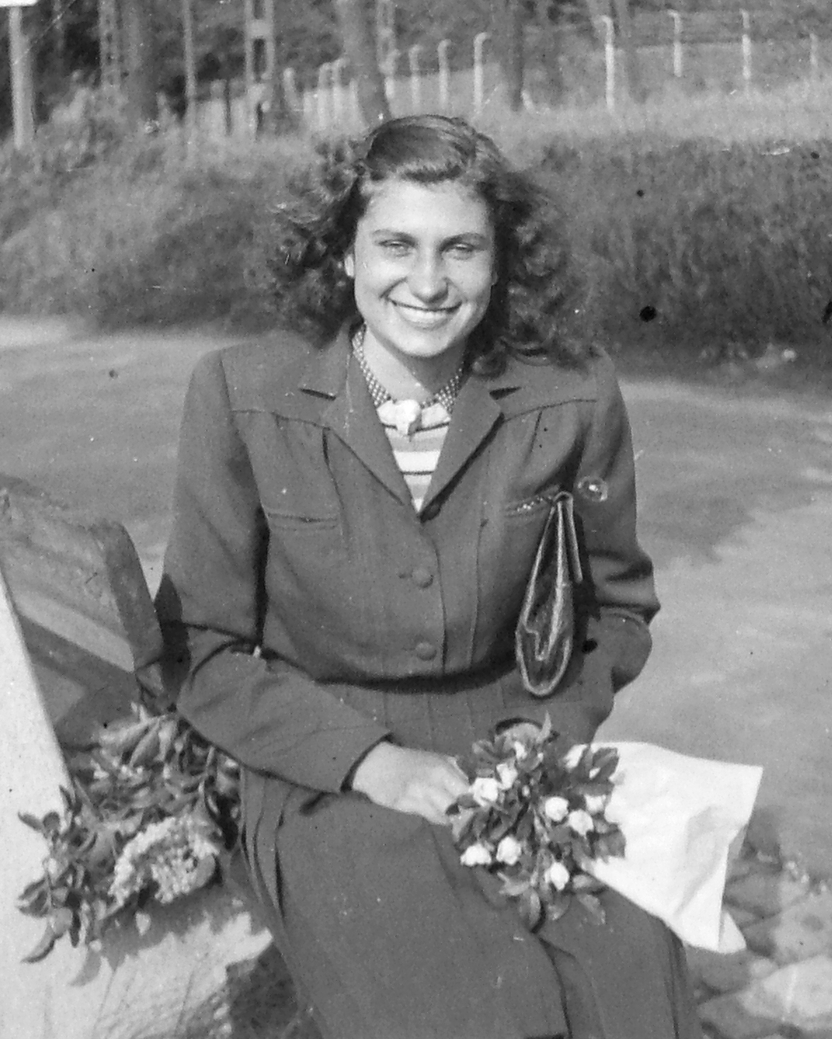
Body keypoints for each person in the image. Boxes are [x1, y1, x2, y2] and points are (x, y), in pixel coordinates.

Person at [157, 115, 699, 1038]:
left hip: (517, 753)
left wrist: (544, 739)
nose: (429, 281)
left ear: (500, 263)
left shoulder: (571, 394)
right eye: (395, 245)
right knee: (471, 1001)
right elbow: (201, 649)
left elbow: (619, 610)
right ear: (343, 255)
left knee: (635, 966)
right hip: (322, 766)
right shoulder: (244, 395)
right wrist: (374, 763)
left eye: (462, 248)